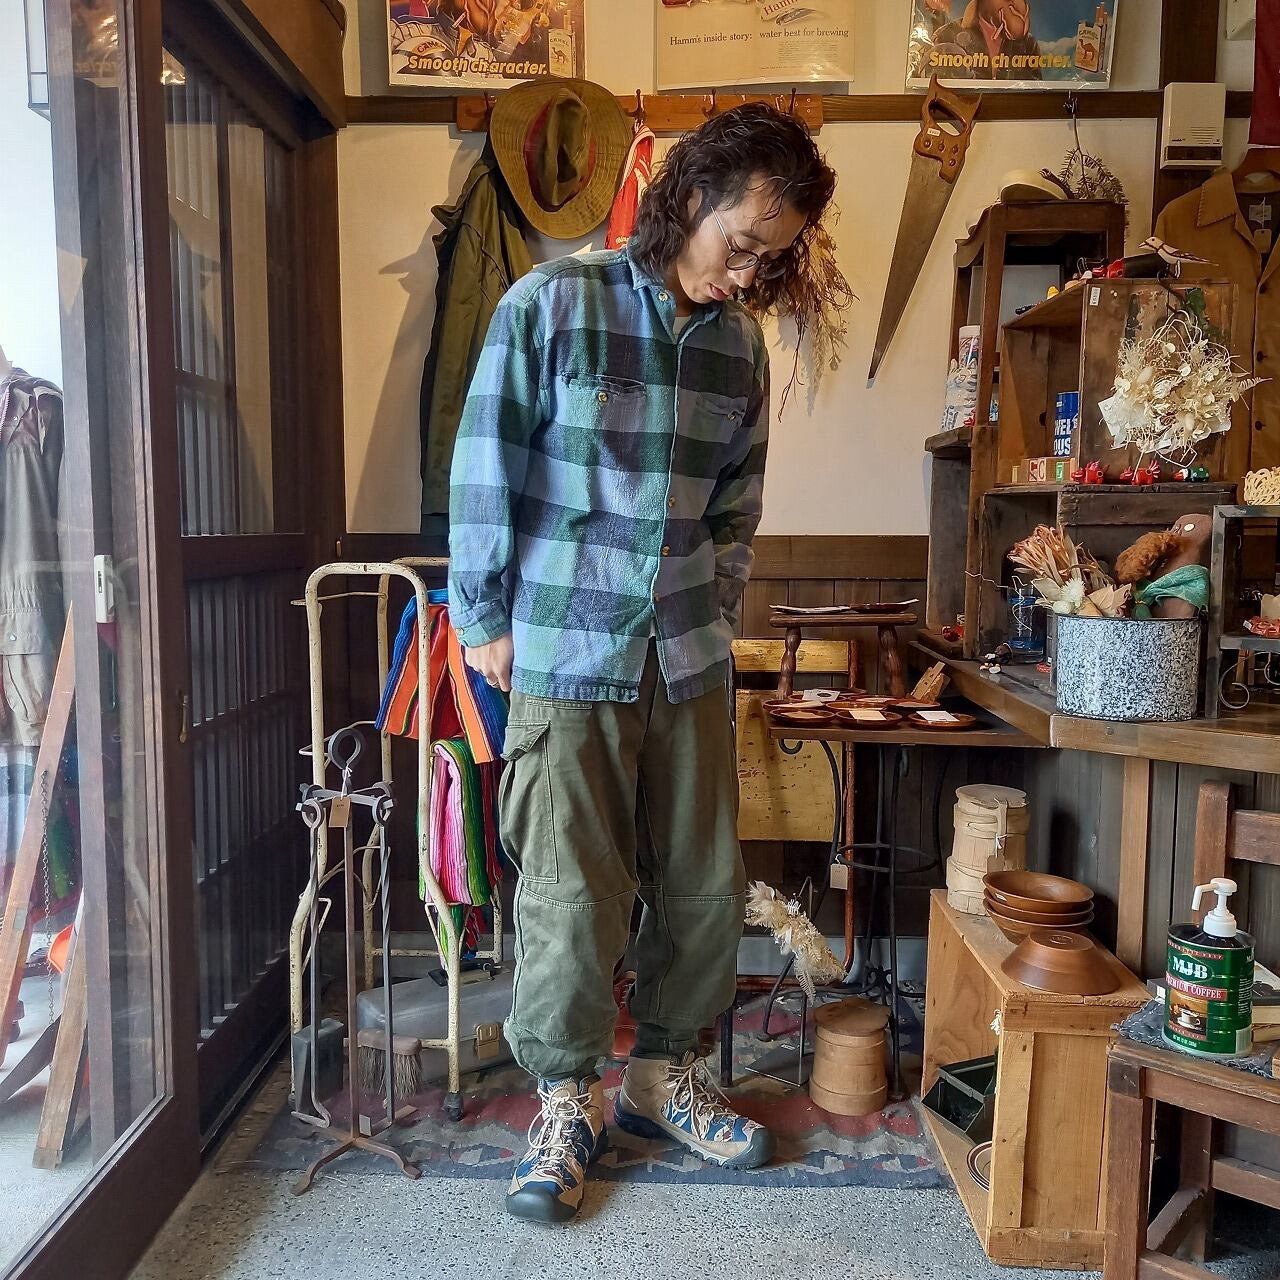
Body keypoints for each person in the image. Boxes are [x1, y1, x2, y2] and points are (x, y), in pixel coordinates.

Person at [448, 100, 836, 1223]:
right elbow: (483, 464)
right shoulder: (549, 304)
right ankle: (567, 1097)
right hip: (562, 650)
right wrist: (483, 619)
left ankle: (666, 1074)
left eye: (771, 257)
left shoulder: (737, 344)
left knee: (702, 879)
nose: (749, 272)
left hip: (689, 656)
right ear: (691, 196)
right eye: (742, 243)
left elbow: (735, 505)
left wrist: (716, 608)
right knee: (570, 886)